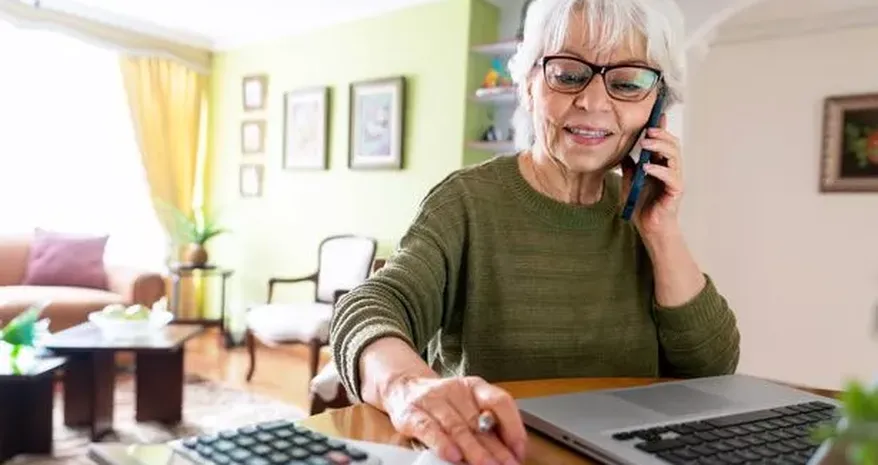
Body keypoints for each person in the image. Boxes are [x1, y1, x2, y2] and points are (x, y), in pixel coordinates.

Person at [329, 0, 741, 464]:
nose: (593, 101)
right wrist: (408, 387)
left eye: (627, 83)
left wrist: (662, 232)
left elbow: (714, 368)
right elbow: (369, 307)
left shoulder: (646, 216)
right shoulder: (467, 201)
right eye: (567, 75)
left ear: (657, 106)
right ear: (528, 83)